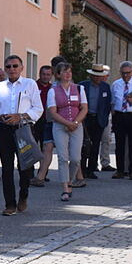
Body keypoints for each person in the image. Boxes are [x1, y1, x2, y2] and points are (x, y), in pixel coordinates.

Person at [0, 55, 44, 215]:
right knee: (6, 168)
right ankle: (10, 204)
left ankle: (23, 194)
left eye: (15, 66)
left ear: (21, 68)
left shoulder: (30, 84)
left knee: (25, 167)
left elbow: (38, 109)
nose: (11, 69)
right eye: (8, 66)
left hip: (23, 129)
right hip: (4, 130)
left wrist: (20, 116)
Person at [46, 62, 88, 201]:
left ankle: (69, 179)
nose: (68, 74)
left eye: (69, 71)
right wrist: (67, 123)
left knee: (76, 158)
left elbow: (84, 108)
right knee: (63, 157)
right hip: (60, 126)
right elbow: (52, 112)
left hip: (76, 125)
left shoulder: (79, 88)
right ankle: (65, 187)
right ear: (58, 75)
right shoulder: (53, 91)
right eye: (64, 71)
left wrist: (75, 123)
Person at [111, 61, 132, 179]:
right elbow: (112, 102)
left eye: (128, 73)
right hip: (119, 115)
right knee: (119, 144)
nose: (126, 75)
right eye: (123, 73)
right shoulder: (116, 84)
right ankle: (120, 170)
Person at [79, 64, 112, 179]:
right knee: (83, 144)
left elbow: (108, 104)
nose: (97, 78)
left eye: (100, 76)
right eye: (95, 76)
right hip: (85, 118)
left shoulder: (105, 87)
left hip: (98, 119)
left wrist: (104, 117)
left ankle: (91, 169)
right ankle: (82, 169)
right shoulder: (83, 86)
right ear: (91, 76)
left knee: (95, 144)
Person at [31, 65, 56, 187]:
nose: (46, 77)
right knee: (31, 148)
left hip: (48, 121)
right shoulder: (33, 87)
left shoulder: (53, 88)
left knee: (45, 148)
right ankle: (29, 174)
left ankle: (42, 174)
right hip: (34, 121)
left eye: (48, 74)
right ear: (40, 74)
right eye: (44, 74)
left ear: (51, 76)